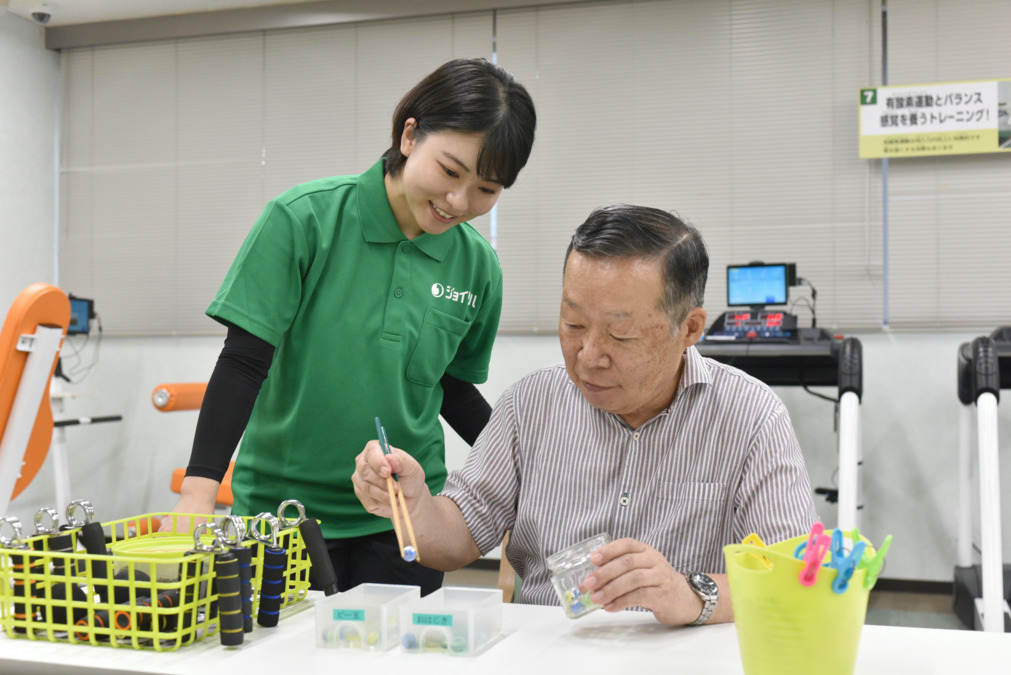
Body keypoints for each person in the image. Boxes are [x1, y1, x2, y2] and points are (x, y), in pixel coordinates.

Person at [169, 58, 536, 595]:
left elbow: (451, 388)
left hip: (406, 513)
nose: (459, 202)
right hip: (285, 515)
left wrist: (527, 469)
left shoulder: (478, 266)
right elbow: (244, 361)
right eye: (451, 172)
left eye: (486, 189)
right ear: (410, 135)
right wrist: (197, 495)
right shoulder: (304, 220)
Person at [353, 204, 818, 625]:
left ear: (690, 328)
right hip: (547, 652)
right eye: (573, 324)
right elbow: (456, 541)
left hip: (679, 654)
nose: (588, 355)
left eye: (621, 336)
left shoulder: (751, 416)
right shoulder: (530, 405)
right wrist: (412, 506)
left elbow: (794, 576)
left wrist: (688, 594)